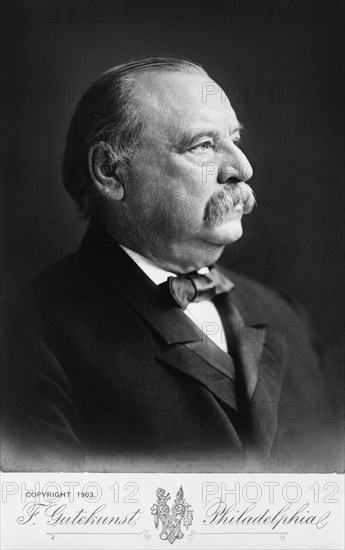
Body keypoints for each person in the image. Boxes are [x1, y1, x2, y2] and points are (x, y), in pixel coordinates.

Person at [1, 57, 338, 472]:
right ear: (110, 172)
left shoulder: (285, 314)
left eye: (235, 138)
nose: (242, 168)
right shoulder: (24, 335)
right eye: (203, 145)